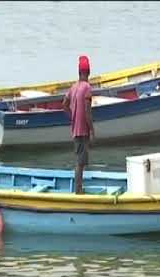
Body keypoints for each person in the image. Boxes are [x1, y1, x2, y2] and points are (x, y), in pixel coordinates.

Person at [62, 55, 95, 194]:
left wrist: (72, 116)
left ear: (79, 72)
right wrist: (92, 129)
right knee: (80, 163)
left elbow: (64, 104)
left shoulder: (73, 87)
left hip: (75, 129)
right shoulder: (87, 87)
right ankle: (78, 190)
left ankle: (79, 188)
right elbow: (87, 111)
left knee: (79, 160)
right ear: (88, 72)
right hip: (83, 131)